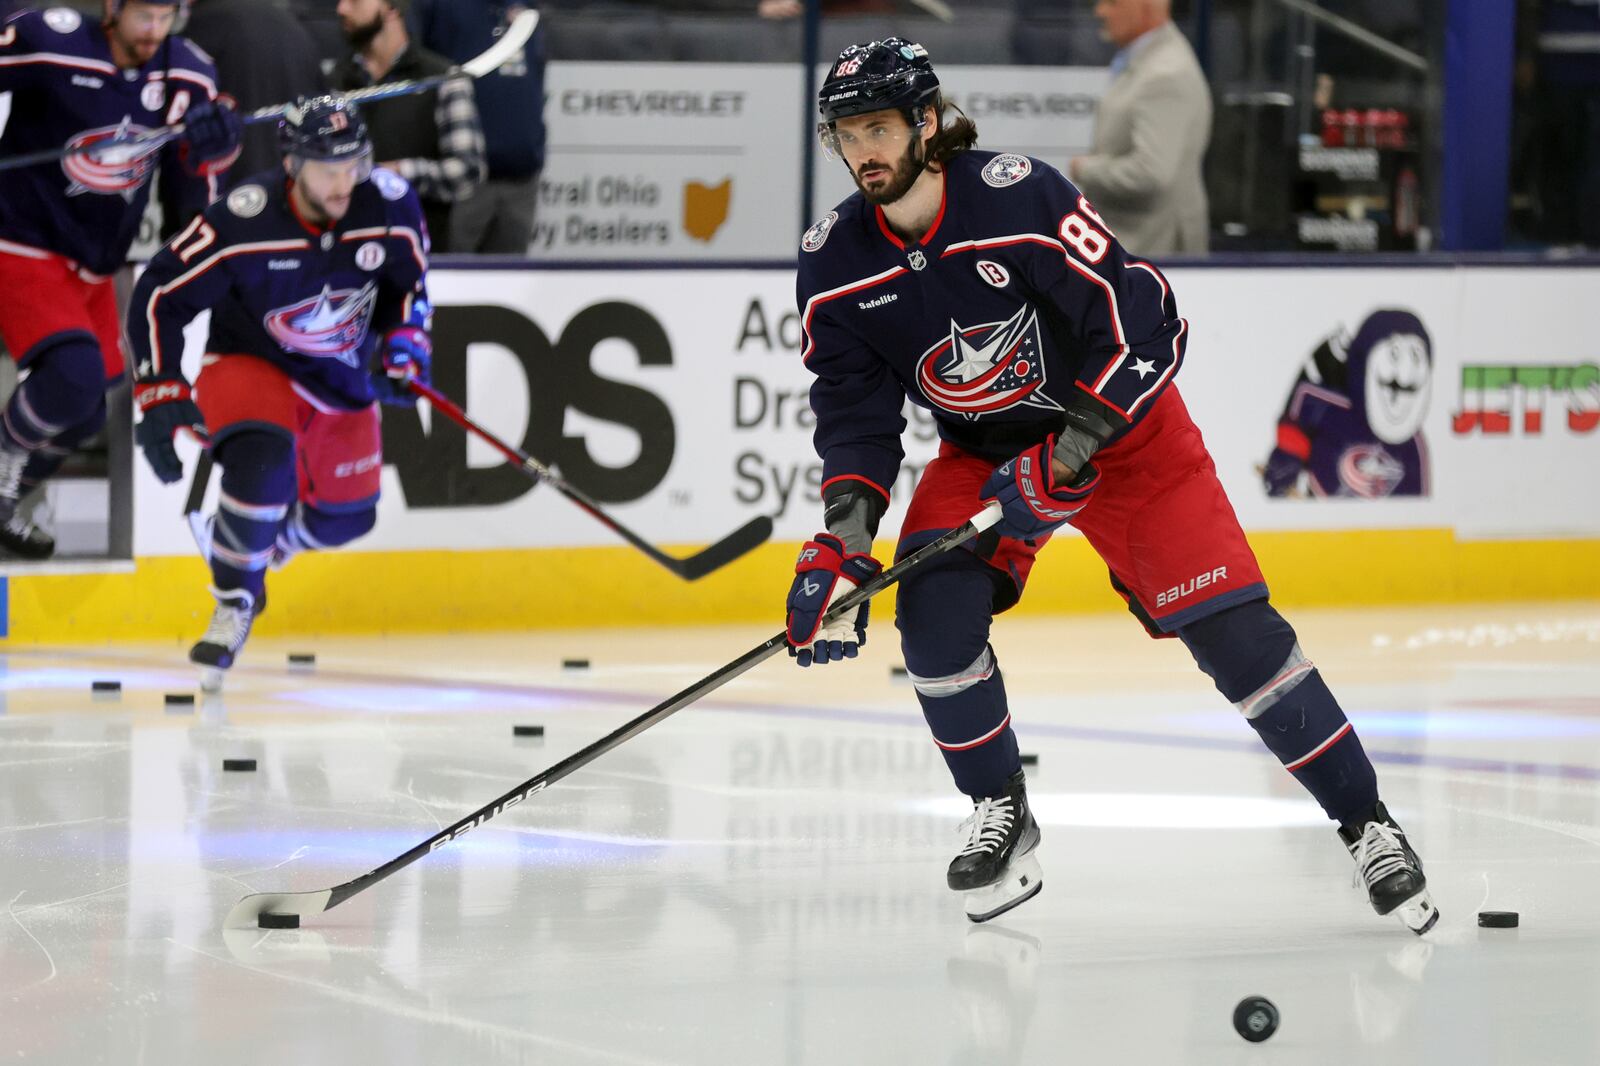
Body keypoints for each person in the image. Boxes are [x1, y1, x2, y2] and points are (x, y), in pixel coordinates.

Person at [788, 38, 1438, 932]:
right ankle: (1001, 811)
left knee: (1240, 642)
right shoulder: (834, 262)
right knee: (933, 620)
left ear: (927, 124)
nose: (863, 150)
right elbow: (856, 417)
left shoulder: (1019, 198)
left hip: (1127, 439)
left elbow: (1148, 322)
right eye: (846, 133)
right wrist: (847, 542)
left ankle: (1369, 825)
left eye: (879, 127)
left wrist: (1071, 453)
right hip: (984, 455)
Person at [127, 96, 433, 691]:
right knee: (262, 464)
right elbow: (160, 292)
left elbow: (410, 288)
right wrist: (160, 390)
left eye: (355, 164)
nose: (346, 182)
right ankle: (235, 601)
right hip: (250, 362)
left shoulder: (389, 205)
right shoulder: (242, 219)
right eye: (329, 169)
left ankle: (258, 546)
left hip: (339, 381)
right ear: (292, 165)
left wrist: (405, 345)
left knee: (349, 519)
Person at [0, 0, 241, 559]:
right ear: (112, 8)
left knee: (87, 410)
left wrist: (213, 151)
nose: (154, 32)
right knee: (74, 374)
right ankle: (3, 470)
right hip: (22, 241)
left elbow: (199, 201)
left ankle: (14, 493)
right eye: (143, 17)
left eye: (166, 17)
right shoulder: (52, 38)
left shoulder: (187, 72)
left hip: (95, 265)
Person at [331, 0, 485, 247]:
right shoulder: (336, 81)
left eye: (355, 1)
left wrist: (397, 173)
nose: (342, 9)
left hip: (422, 249)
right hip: (346, 250)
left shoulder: (442, 78)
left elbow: (467, 171)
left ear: (392, 8)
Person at [1069, 0, 1211, 256]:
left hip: (1153, 250)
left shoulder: (1165, 73)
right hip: (1134, 246)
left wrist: (1086, 169)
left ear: (1145, 7)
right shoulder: (1146, 61)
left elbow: (1151, 173)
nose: (1099, 11)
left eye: (1112, 3)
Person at [412, 0, 544, 254]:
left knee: (510, 286)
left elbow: (536, 77)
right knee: (451, 282)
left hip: (521, 178)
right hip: (463, 182)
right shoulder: (437, 7)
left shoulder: (526, 5)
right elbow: (419, 72)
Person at [183, 0, 328, 186]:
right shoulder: (290, 24)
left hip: (233, 184)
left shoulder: (203, 23)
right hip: (294, 180)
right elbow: (318, 108)